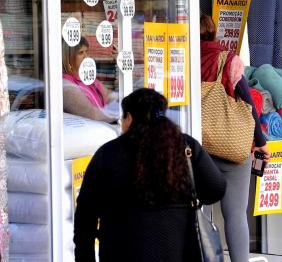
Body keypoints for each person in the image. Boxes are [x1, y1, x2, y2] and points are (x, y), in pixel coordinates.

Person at [73, 88, 227, 262]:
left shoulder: (107, 153)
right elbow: (216, 189)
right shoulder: (186, 148)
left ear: (129, 118)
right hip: (178, 249)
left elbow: (85, 218)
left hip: (120, 252)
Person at [200, 14, 271, 262]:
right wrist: (260, 142)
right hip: (231, 147)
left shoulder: (182, 59)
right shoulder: (228, 61)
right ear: (212, 33)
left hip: (198, 150)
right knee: (236, 214)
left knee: (194, 213)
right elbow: (249, 105)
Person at [62, 36, 118, 122]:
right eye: (81, 53)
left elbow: (108, 96)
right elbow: (92, 115)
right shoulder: (66, 86)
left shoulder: (87, 78)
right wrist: (120, 110)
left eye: (86, 52)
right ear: (68, 58)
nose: (86, 56)